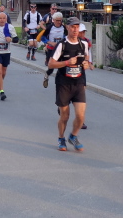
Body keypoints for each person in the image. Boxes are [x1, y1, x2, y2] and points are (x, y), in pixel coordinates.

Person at [48, 17, 89, 151]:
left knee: (81, 116)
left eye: (77, 27)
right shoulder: (62, 45)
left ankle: (73, 136)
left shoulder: (83, 44)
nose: (75, 30)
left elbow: (87, 60)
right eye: (72, 27)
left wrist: (86, 64)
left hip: (78, 83)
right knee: (65, 116)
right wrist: (66, 63)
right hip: (63, 84)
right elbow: (51, 64)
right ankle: (61, 138)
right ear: (67, 28)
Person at [0, 12, 17, 101]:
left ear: (6, 19)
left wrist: (11, 39)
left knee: (3, 72)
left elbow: (16, 39)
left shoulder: (10, 27)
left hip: (6, 51)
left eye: (3, 18)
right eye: (0, 18)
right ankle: (2, 91)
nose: (2, 20)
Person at [42, 12, 67, 88]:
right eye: (57, 20)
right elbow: (43, 38)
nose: (59, 22)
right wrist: (50, 42)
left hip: (61, 50)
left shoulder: (64, 28)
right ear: (54, 20)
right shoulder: (50, 27)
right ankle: (47, 75)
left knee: (62, 66)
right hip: (51, 49)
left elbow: (67, 37)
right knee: (51, 68)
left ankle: (61, 83)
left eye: (60, 20)